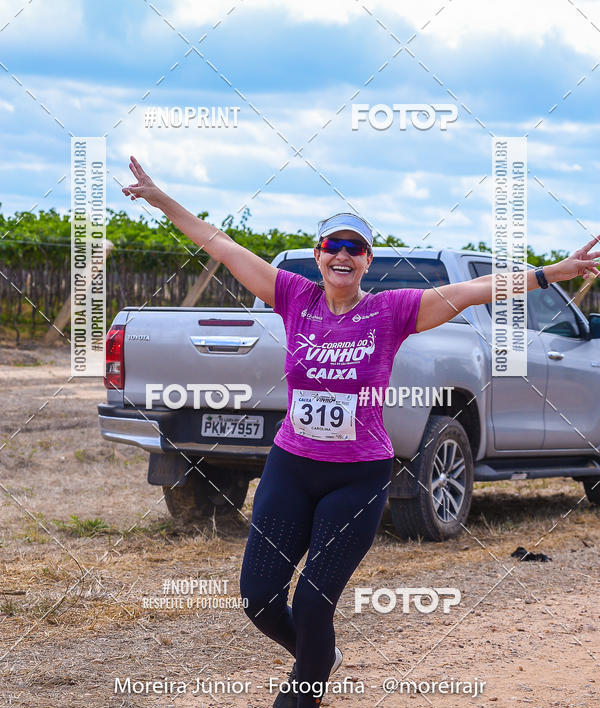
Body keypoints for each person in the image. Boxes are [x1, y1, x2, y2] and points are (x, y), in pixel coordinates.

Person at [121, 155, 600, 707]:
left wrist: (552, 273)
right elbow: (220, 245)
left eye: (355, 248)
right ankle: (319, 657)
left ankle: (304, 691)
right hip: (291, 467)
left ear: (367, 260)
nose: (343, 255)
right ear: (319, 256)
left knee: (313, 601)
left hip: (358, 476)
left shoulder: (392, 311)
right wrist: (160, 200)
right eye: (333, 246)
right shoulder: (293, 298)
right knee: (257, 597)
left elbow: (477, 291)